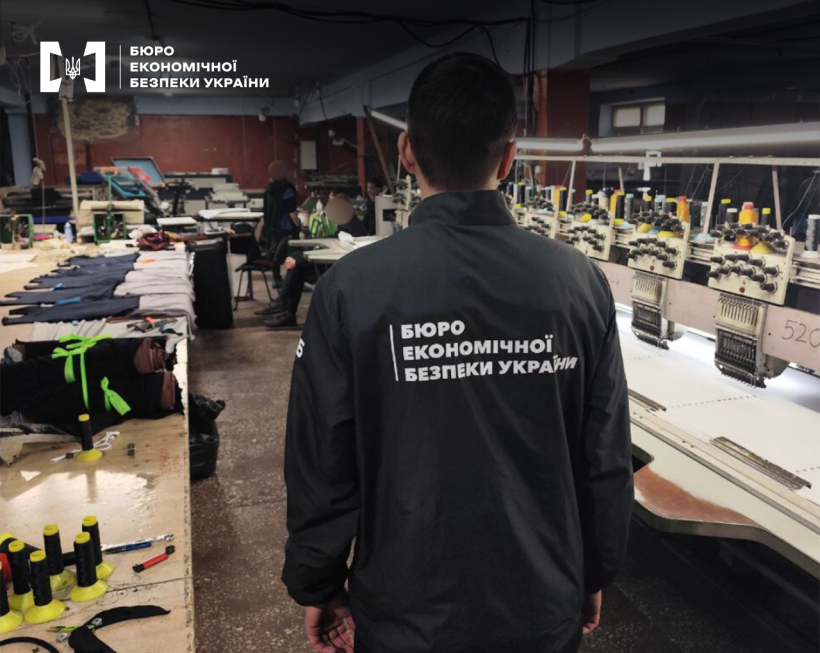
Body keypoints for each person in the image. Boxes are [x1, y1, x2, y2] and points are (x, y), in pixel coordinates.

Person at [282, 52, 633, 653]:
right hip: (541, 602)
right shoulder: (578, 280)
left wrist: (319, 581)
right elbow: (604, 455)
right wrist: (594, 570)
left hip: (405, 612)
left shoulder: (351, 287)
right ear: (509, 157)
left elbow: (322, 459)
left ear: (407, 152)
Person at [264, 195, 368, 329]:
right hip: (335, 266)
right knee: (296, 264)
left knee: (297, 266)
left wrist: (298, 260)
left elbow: (336, 249)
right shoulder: (348, 223)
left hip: (338, 270)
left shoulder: (351, 227)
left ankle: (284, 306)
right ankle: (284, 306)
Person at [258, 160, 300, 285]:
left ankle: (277, 280)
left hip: (272, 227)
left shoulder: (268, 189)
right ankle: (293, 282)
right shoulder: (287, 188)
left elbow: (265, 211)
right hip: (285, 228)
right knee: (293, 255)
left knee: (275, 255)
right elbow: (291, 210)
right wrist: (298, 225)